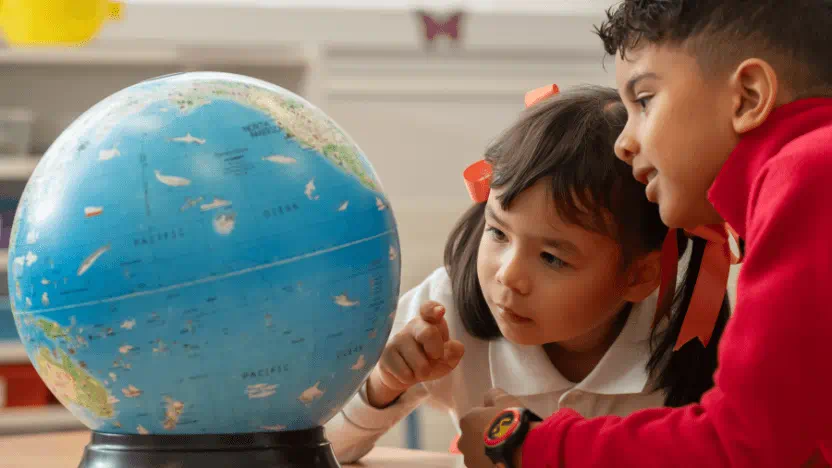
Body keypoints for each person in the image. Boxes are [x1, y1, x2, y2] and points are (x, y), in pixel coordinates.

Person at [461, 1, 832, 467]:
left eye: (644, 101)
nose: (624, 142)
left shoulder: (811, 173)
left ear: (749, 96)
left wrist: (524, 446)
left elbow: (740, 445)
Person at [325, 84, 730, 464]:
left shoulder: (686, 329)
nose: (508, 276)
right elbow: (323, 447)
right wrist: (383, 384)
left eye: (552, 258)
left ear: (640, 276)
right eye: (498, 232)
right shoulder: (444, 309)